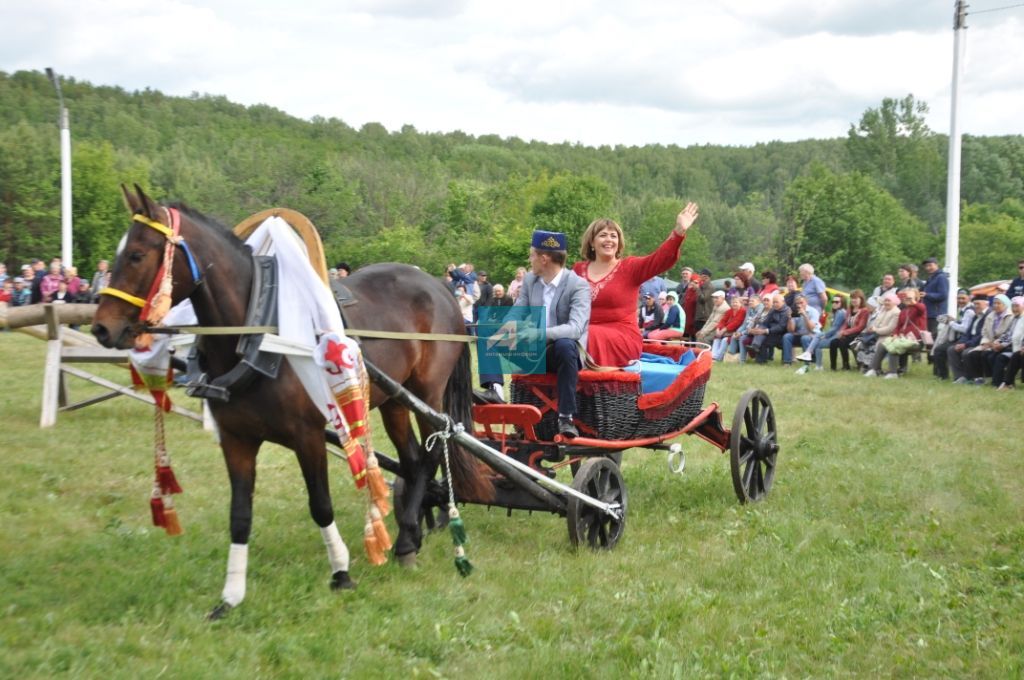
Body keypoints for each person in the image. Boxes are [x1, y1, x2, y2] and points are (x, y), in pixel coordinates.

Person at [571, 202, 699, 367]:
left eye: (613, 236)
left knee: (584, 336)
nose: (609, 239)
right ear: (591, 242)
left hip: (622, 337)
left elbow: (660, 259)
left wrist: (679, 231)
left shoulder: (629, 267)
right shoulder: (577, 270)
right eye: (603, 235)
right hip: (582, 332)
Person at [516, 230, 591, 438]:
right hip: (535, 352)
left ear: (544, 258)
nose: (529, 260)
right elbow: (516, 313)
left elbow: (576, 328)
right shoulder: (530, 280)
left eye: (531, 255)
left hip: (564, 355)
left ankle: (566, 417)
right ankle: (492, 389)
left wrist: (538, 333)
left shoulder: (578, 285)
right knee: (493, 326)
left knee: (566, 344)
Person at [865, 288, 925, 378]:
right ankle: (873, 369)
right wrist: (896, 334)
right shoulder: (904, 311)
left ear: (915, 297)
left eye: (909, 297)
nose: (906, 299)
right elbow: (898, 327)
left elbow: (922, 309)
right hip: (903, 339)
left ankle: (892, 373)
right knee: (883, 345)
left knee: (895, 346)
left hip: (916, 340)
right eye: (905, 297)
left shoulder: (919, 308)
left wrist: (913, 301)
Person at [963, 294, 1014, 385]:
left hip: (1005, 345)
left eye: (999, 303)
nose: (996, 305)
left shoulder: (1010, 316)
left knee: (987, 355)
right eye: (994, 303)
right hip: (989, 343)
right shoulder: (990, 316)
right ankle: (978, 378)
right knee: (973, 354)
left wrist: (996, 343)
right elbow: (984, 332)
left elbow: (1009, 333)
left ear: (1005, 304)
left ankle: (992, 377)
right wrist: (985, 343)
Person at [797, 293, 847, 373]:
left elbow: (834, 329)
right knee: (818, 336)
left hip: (837, 336)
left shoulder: (841, 312)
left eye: (837, 302)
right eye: (833, 301)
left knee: (818, 343)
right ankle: (810, 356)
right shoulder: (837, 312)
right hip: (834, 335)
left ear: (842, 303)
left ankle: (817, 363)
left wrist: (825, 335)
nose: (834, 303)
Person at [948, 295, 991, 383]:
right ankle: (960, 377)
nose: (976, 306)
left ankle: (971, 377)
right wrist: (961, 342)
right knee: (952, 349)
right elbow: (968, 332)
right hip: (970, 341)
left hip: (981, 343)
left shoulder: (989, 315)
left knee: (966, 352)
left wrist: (966, 345)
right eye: (974, 304)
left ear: (986, 304)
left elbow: (981, 335)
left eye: (978, 304)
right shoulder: (976, 315)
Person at [932, 288, 973, 380]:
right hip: (959, 338)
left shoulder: (969, 311)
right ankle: (942, 375)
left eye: (963, 298)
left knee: (940, 350)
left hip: (965, 339)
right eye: (959, 298)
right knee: (939, 349)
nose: (961, 301)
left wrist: (949, 322)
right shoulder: (961, 309)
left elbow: (964, 329)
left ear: (969, 298)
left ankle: (944, 376)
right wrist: (953, 320)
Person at [828, 289, 870, 371]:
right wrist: (841, 331)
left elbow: (860, 327)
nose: (854, 300)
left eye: (856, 298)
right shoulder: (850, 309)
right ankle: (833, 367)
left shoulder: (864, 311)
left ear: (861, 299)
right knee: (833, 342)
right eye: (852, 298)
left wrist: (845, 332)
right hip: (848, 334)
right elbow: (846, 323)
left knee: (842, 342)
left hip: (859, 334)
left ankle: (846, 365)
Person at [749, 293, 791, 364]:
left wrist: (765, 331)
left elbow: (781, 327)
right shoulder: (773, 310)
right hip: (772, 332)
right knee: (761, 330)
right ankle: (760, 360)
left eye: (776, 302)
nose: (774, 304)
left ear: (783, 302)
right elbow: (766, 322)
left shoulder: (787, 311)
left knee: (764, 337)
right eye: (773, 302)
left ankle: (756, 347)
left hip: (782, 334)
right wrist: (758, 329)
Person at [782, 295, 821, 367]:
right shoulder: (795, 311)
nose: (799, 305)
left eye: (801, 303)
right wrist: (790, 318)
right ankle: (787, 362)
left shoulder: (813, 311)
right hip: (800, 335)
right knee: (787, 336)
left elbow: (811, 328)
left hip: (813, 335)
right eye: (797, 303)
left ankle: (808, 362)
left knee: (805, 338)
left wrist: (805, 315)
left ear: (806, 302)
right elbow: (791, 330)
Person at [920, 257, 949, 346]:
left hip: (937, 313)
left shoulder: (941, 277)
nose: (928, 268)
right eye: (926, 266)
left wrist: (927, 295)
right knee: (928, 337)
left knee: (934, 337)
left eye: (930, 265)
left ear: (937, 265)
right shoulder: (931, 278)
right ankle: (930, 358)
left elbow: (943, 295)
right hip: (929, 312)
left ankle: (934, 358)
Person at [996, 296, 1024, 389]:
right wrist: (998, 342)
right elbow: (1008, 334)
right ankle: (1006, 383)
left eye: (1017, 306)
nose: (1014, 309)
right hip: (1016, 349)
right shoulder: (1015, 319)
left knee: (1015, 356)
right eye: (1013, 306)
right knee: (1014, 355)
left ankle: (1007, 383)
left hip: (1017, 348)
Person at [710, 295, 746, 361]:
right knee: (717, 338)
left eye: (736, 302)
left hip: (734, 332)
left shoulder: (742, 311)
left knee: (725, 340)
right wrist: (718, 329)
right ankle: (713, 356)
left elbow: (736, 323)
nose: (734, 304)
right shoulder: (730, 311)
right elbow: (722, 321)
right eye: (732, 302)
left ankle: (718, 358)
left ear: (740, 303)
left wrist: (724, 330)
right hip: (724, 331)